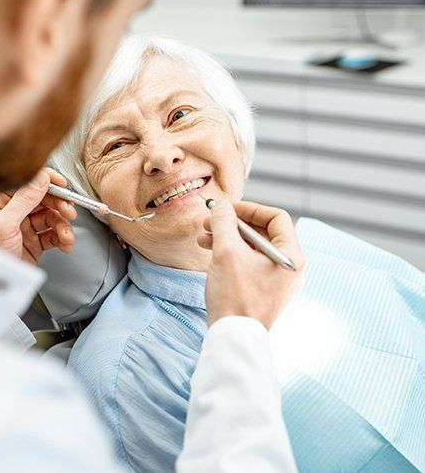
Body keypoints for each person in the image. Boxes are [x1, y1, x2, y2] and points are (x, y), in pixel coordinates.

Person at [0, 0, 304, 471]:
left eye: (181, 114)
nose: (162, 154)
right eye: (126, 17)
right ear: (52, 3)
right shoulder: (89, 388)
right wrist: (240, 334)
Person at [53, 35, 424, 472]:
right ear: (94, 205)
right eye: (116, 145)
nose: (162, 155)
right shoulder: (127, 370)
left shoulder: (327, 251)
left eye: (180, 115)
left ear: (235, 133)